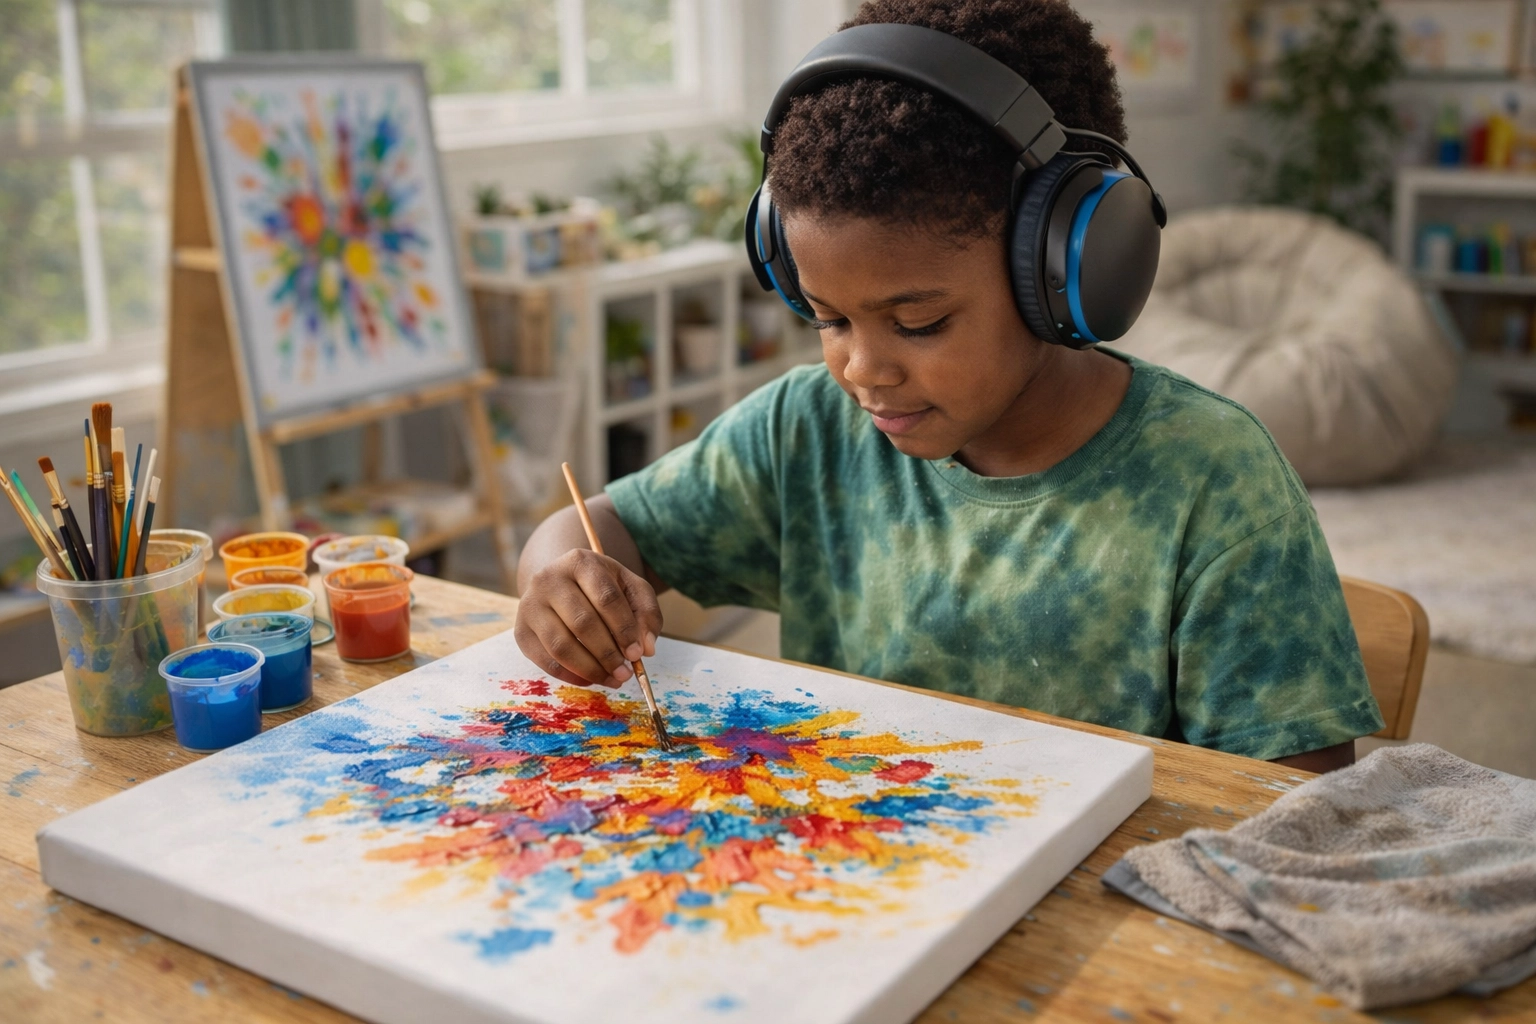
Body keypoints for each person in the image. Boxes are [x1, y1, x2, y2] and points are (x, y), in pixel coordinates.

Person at [514, 0, 1383, 773]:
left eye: (919, 322)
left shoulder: (1213, 482)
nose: (863, 368)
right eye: (828, 319)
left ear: (1065, 273)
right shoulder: (804, 433)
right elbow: (595, 527)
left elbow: (1291, 806)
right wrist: (562, 581)